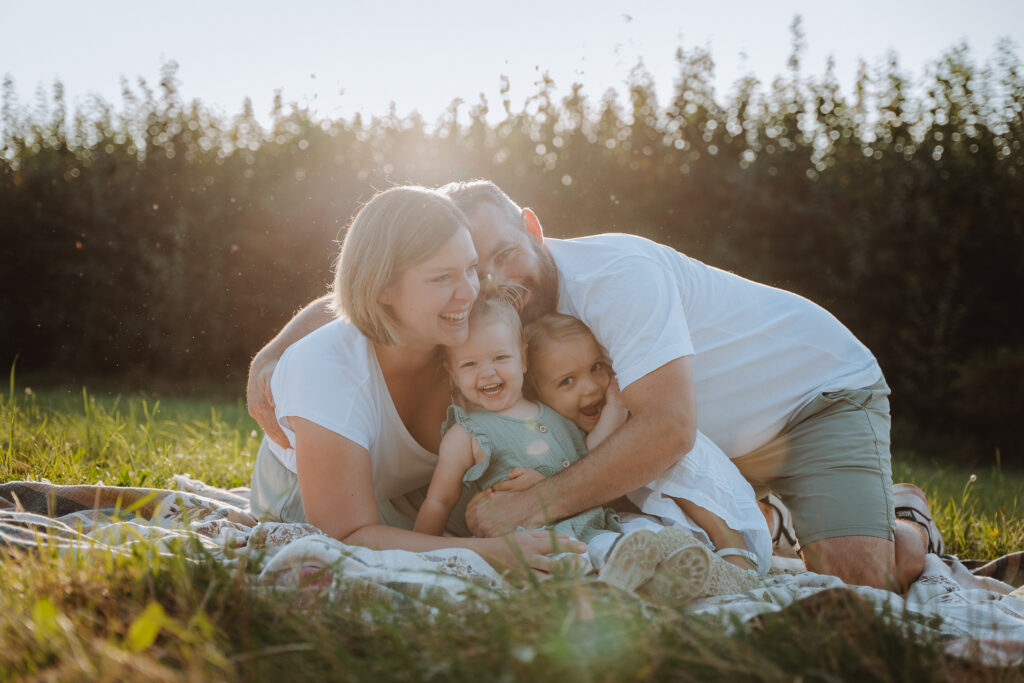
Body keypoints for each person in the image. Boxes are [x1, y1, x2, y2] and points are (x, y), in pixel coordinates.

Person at [247, 180, 931, 591]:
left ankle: (904, 514)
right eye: (470, 271)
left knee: (861, 577)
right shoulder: (479, 316)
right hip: (701, 448)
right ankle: (766, 516)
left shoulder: (616, 277)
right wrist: (276, 350)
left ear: (535, 229)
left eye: (501, 256)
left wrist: (527, 511)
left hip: (809, 397)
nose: (490, 285)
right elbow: (369, 290)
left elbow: (666, 428)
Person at [247, 185, 580, 576]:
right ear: (384, 287)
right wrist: (491, 552)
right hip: (305, 502)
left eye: (470, 268)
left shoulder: (463, 338)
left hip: (409, 495)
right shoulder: (327, 366)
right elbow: (345, 535)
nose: (470, 291)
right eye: (442, 278)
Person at [413, 296, 762, 598]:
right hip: (549, 537)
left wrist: (616, 405)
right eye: (470, 364)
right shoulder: (466, 434)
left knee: (644, 535)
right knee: (584, 557)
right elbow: (439, 499)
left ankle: (699, 569)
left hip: (602, 523)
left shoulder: (553, 413)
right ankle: (639, 581)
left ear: (522, 359)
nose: (487, 372)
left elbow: (594, 452)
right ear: (453, 373)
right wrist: (419, 551)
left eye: (499, 358)